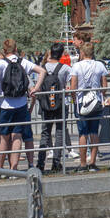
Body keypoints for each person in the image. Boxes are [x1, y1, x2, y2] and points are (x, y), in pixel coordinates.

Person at [0, 39, 45, 171]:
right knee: (17, 136)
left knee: (4, 137)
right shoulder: (23, 62)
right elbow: (42, 71)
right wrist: (36, 88)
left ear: (3, 51)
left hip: (5, 105)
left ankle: (0, 169)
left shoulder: (1, 63)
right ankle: (14, 168)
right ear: (16, 49)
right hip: (21, 104)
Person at [68, 42, 108, 172]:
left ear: (83, 53)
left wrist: (75, 100)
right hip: (96, 100)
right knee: (94, 131)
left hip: (81, 102)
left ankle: (83, 163)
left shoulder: (76, 66)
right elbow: (104, 87)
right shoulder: (100, 65)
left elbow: (73, 87)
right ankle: (93, 162)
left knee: (83, 133)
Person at [36, 44, 71, 172]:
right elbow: (70, 85)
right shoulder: (65, 68)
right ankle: (56, 162)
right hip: (60, 104)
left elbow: (38, 86)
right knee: (60, 131)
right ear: (61, 54)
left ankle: (40, 163)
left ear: (50, 52)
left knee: (45, 133)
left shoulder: (42, 68)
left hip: (45, 105)